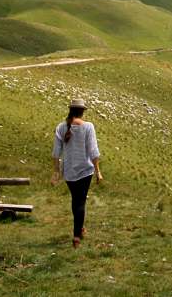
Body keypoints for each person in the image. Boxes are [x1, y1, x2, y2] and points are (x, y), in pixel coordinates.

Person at [51, 98, 103, 248]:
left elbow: (56, 153)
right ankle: (76, 236)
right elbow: (93, 151)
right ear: (82, 111)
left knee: (76, 200)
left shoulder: (61, 127)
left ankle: (80, 229)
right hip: (85, 170)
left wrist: (56, 172)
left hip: (69, 171)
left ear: (71, 110)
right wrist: (98, 172)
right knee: (80, 202)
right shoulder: (88, 127)